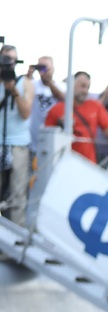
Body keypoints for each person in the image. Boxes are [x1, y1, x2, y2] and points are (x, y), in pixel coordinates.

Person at [44, 72, 108, 164]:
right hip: (63, 164)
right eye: (82, 86)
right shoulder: (56, 109)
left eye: (88, 87)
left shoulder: (95, 106)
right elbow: (46, 138)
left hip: (88, 164)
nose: (85, 91)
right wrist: (60, 127)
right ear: (72, 85)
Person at [1, 44, 34, 226]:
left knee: (17, 194)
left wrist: (13, 90)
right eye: (4, 59)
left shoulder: (24, 83)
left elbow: (26, 113)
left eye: (11, 59)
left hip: (18, 145)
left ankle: (14, 240)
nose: (8, 64)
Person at [27, 55, 64, 156]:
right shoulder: (33, 84)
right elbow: (22, 89)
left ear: (53, 69)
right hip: (33, 139)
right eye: (40, 67)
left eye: (46, 67)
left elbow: (62, 98)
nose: (43, 71)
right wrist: (28, 75)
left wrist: (49, 82)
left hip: (54, 138)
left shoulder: (62, 86)